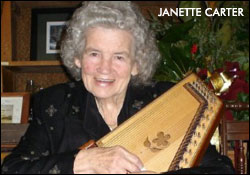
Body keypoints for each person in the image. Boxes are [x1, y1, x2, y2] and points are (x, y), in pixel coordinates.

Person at [1, 1, 235, 174]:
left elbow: (222, 170)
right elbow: (12, 169)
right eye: (94, 54)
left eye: (119, 57)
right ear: (77, 58)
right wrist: (82, 162)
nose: (105, 68)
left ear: (136, 64)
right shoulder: (54, 104)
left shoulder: (167, 100)